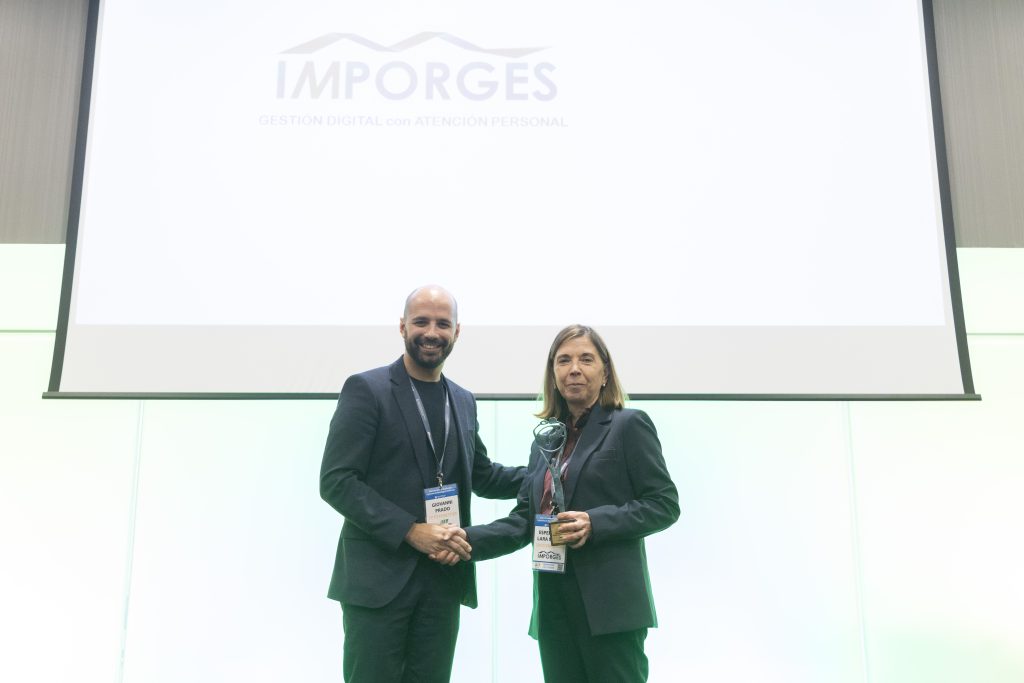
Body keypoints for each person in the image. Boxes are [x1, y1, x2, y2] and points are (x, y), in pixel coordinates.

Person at [320, 284, 524, 683]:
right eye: (421, 322)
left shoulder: (462, 399)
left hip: (442, 580)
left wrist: (549, 474)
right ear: (402, 327)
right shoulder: (366, 389)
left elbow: (482, 475)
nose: (432, 332)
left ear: (456, 332)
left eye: (442, 324)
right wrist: (410, 531)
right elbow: (337, 481)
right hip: (378, 582)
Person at [455, 324, 680, 682]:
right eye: (564, 360)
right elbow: (525, 520)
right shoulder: (545, 441)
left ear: (605, 373)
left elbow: (664, 504)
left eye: (586, 359)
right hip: (553, 606)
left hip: (610, 610)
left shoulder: (629, 425)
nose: (574, 369)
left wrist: (595, 522)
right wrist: (462, 541)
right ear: (553, 374)